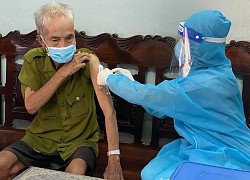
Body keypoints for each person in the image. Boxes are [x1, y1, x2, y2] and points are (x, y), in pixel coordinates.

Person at [97, 10, 250, 179]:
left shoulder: (205, 84)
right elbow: (162, 104)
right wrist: (130, 83)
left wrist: (111, 80)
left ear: (203, 46)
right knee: (149, 173)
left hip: (226, 154)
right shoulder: (212, 72)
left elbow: (154, 97)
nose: (181, 46)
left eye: (186, 41)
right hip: (198, 145)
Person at [0, 2, 123, 180]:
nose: (63, 45)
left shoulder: (88, 61)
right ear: (41, 41)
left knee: (73, 175)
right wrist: (64, 72)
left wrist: (114, 160)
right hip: (40, 139)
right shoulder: (33, 60)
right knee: (2, 165)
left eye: (69, 37)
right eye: (55, 40)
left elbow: (108, 110)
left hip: (79, 142)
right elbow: (31, 106)